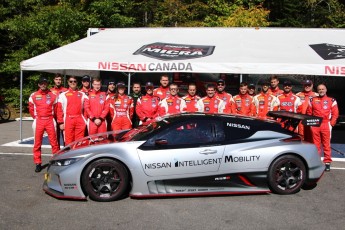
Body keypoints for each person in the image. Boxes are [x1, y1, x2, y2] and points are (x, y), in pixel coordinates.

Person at [28, 77, 60, 172]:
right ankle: (38, 163)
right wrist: (37, 118)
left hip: (50, 120)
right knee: (37, 143)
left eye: (45, 83)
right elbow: (31, 109)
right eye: (41, 83)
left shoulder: (53, 95)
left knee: (54, 142)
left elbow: (56, 108)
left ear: (47, 84)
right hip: (39, 121)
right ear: (38, 84)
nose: (43, 85)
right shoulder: (33, 95)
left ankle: (56, 161)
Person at [306, 84, 339, 171]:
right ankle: (317, 162)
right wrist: (311, 124)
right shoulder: (312, 99)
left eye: (322, 89)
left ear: (326, 90)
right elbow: (309, 113)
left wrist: (331, 123)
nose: (321, 90)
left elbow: (335, 113)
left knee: (326, 144)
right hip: (315, 123)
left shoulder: (331, 100)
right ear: (317, 90)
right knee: (316, 144)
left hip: (326, 124)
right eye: (319, 89)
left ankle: (327, 162)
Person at [57, 76, 89, 145]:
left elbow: (87, 107)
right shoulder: (63, 95)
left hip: (79, 119)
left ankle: (78, 155)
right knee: (69, 141)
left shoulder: (82, 94)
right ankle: (69, 156)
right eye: (71, 81)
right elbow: (59, 109)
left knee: (79, 142)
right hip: (68, 119)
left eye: (74, 81)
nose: (73, 83)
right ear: (68, 82)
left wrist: (85, 119)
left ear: (77, 83)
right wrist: (60, 122)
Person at [50, 73, 68, 146]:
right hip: (54, 117)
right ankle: (57, 153)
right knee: (55, 137)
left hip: (63, 116)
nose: (58, 81)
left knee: (65, 136)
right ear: (54, 80)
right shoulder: (50, 91)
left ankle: (66, 152)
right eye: (56, 79)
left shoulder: (66, 90)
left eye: (60, 79)